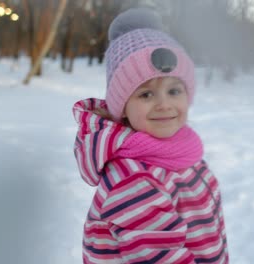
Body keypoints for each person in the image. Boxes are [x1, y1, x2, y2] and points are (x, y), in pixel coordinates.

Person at [72, 8, 229, 263]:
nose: (164, 104)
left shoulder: (178, 151)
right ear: (122, 108)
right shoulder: (133, 179)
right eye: (146, 94)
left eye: (174, 90)